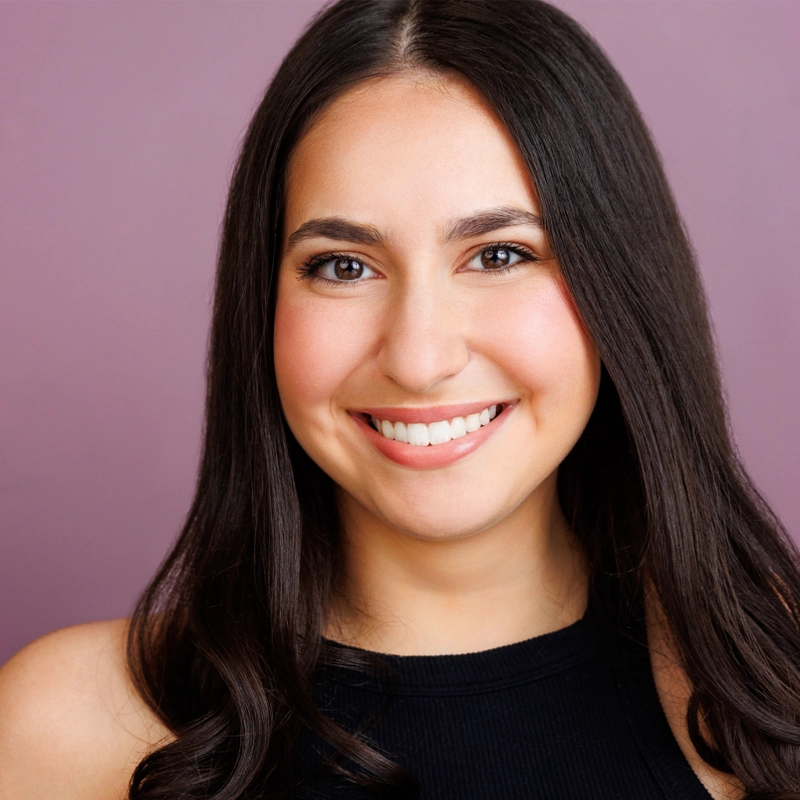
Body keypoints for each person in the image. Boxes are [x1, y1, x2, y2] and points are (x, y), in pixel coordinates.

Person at [1, 0, 798, 797]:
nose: (418, 359)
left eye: (499, 254)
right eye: (344, 266)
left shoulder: (773, 687)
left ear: (619, 284)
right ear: (263, 308)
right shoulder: (72, 730)